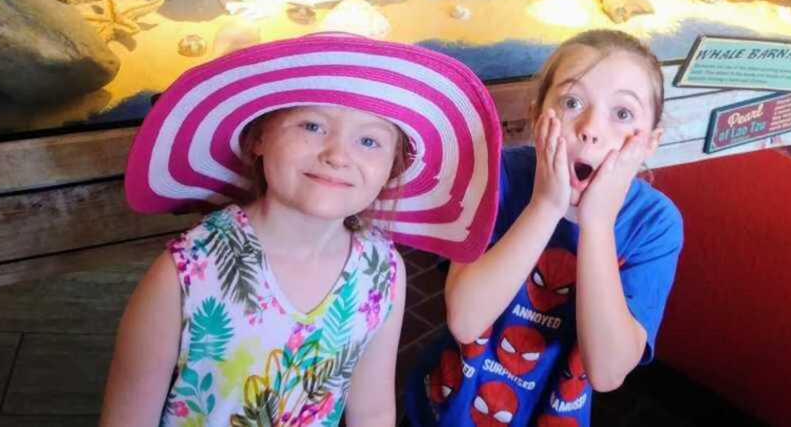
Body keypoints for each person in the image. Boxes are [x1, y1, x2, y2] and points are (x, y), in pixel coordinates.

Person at [100, 32, 501, 427]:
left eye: (369, 140)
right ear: (258, 138)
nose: (338, 155)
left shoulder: (382, 272)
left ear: (391, 169)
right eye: (311, 126)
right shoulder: (185, 271)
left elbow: (373, 411)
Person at [404, 29, 684, 426]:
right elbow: (466, 320)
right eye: (572, 102)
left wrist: (598, 225)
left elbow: (606, 371)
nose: (590, 127)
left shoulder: (654, 224)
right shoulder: (498, 175)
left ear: (649, 142)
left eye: (622, 114)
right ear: (537, 116)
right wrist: (545, 205)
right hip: (447, 407)